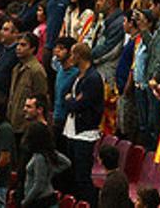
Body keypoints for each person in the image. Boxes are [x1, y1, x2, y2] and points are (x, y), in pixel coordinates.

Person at [62, 42, 103, 205]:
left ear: (79, 56)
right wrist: (71, 101)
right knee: (72, 175)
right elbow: (64, 96)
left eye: (73, 54)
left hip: (84, 133)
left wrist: (71, 101)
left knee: (82, 177)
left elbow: (78, 104)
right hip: (71, 130)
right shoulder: (78, 76)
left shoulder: (93, 78)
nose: (70, 58)